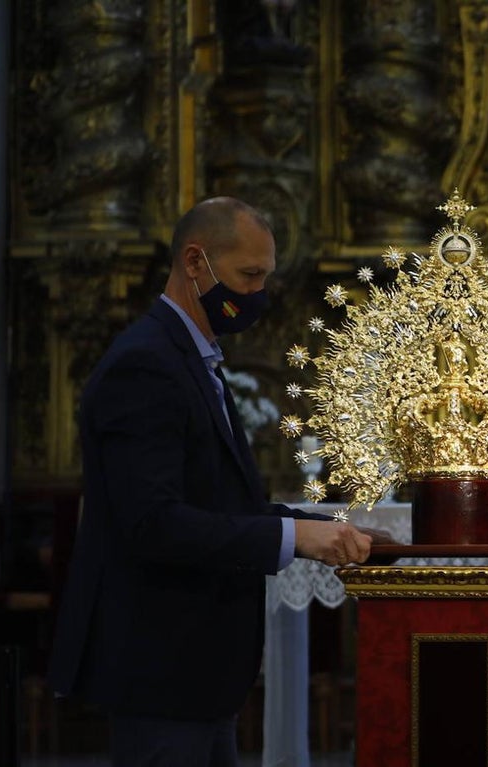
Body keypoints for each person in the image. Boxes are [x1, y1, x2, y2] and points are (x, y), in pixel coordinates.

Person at [48, 197, 375, 767]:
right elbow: (153, 523)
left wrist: (322, 530)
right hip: (161, 663)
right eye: (248, 276)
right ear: (195, 263)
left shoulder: (196, 360)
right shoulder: (145, 365)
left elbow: (222, 503)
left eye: (265, 278)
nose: (258, 296)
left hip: (196, 672)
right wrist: (296, 541)